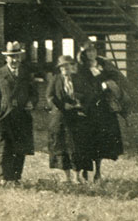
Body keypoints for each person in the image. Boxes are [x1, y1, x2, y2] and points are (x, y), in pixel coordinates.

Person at [76, 37, 131, 181]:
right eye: (88, 51)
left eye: (93, 51)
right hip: (88, 107)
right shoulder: (81, 68)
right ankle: (85, 169)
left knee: (101, 139)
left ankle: (98, 171)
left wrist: (108, 83)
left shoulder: (104, 65)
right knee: (86, 139)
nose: (91, 54)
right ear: (83, 54)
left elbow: (115, 77)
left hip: (102, 107)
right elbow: (80, 85)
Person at [0, 41, 38, 185]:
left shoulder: (26, 74)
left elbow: (34, 94)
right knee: (4, 148)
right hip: (4, 117)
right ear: (6, 58)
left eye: (17, 57)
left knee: (20, 149)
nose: (15, 60)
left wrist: (31, 102)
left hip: (22, 116)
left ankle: (16, 177)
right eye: (12, 57)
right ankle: (4, 178)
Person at [46, 54, 98, 183]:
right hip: (61, 117)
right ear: (60, 68)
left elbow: (90, 94)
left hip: (76, 117)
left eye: (67, 66)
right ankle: (67, 176)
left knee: (77, 147)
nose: (65, 69)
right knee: (62, 148)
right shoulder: (55, 80)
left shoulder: (79, 79)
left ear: (72, 66)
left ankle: (77, 176)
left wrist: (82, 104)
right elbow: (50, 97)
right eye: (62, 67)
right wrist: (63, 105)